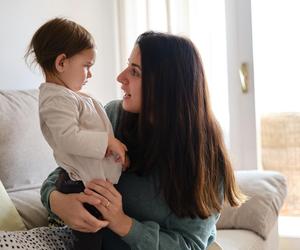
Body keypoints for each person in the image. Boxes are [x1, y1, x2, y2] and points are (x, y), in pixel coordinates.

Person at [40, 31, 245, 250]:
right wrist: (58, 203)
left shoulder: (205, 156)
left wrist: (123, 224)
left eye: (135, 72)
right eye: (128, 66)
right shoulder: (111, 116)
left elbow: (191, 244)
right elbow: (63, 173)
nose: (121, 77)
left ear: (166, 86)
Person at [25, 17, 128, 250]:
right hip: (79, 186)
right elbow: (68, 138)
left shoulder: (71, 96)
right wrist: (108, 143)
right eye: (86, 66)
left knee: (103, 237)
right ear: (61, 62)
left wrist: (115, 156)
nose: (89, 74)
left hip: (93, 183)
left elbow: (92, 134)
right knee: (90, 238)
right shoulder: (56, 99)